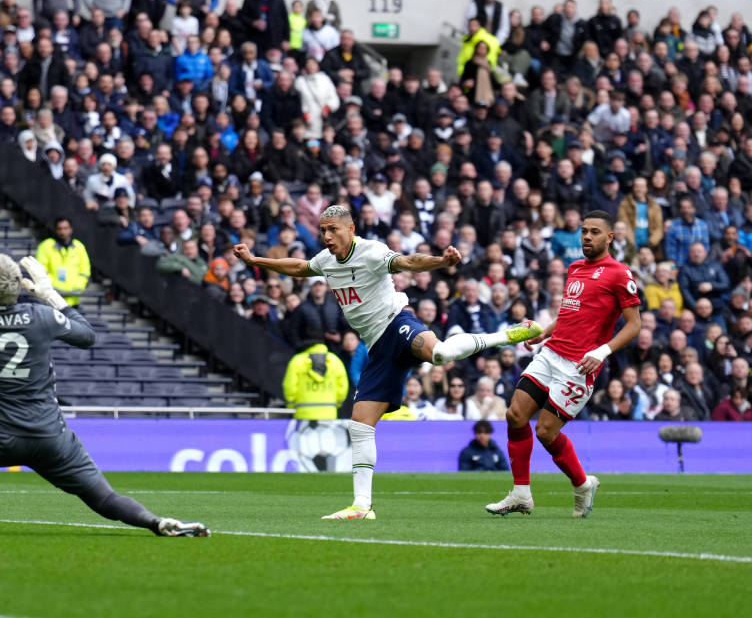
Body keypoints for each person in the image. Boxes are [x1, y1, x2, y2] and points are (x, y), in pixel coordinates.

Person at [0, 198, 207, 537]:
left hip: (0, 437)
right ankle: (155, 522)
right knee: (103, 497)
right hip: (51, 438)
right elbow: (87, 336)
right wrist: (51, 295)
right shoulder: (40, 317)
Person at [234, 205, 540, 519]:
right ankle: (362, 506)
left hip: (397, 325)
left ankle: (508, 334)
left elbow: (407, 261)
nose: (327, 236)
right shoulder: (326, 260)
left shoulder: (371, 251)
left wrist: (440, 261)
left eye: (333, 230)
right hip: (378, 349)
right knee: (360, 425)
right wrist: (255, 260)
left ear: (350, 229)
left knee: (441, 354)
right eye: (323, 230)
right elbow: (299, 267)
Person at [487, 211, 641, 519]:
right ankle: (521, 493)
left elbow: (634, 325)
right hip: (551, 353)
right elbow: (571, 313)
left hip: (579, 366)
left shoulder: (619, 274)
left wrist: (603, 351)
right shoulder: (574, 267)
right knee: (515, 414)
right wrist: (546, 330)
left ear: (609, 237)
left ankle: (583, 484)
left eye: (595, 232)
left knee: (545, 431)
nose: (586, 236)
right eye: (584, 231)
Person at [282, 333, 349, 420]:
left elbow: (289, 386)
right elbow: (343, 387)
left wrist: (292, 405)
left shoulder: (297, 361)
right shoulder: (335, 361)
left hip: (303, 413)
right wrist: (337, 403)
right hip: (329, 413)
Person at [35, 218, 91, 308]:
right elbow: (40, 271)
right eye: (60, 228)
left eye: (65, 228)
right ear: (55, 230)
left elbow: (85, 270)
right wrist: (55, 288)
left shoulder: (79, 247)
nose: (62, 231)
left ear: (71, 229)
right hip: (51, 301)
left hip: (73, 300)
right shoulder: (46, 246)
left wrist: (77, 287)